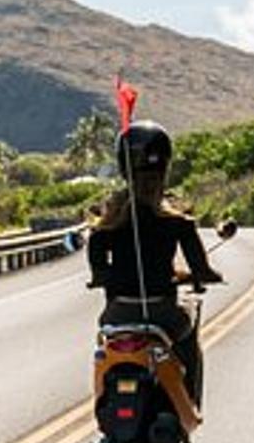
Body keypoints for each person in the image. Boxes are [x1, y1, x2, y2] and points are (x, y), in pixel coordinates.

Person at [84, 120, 222, 406]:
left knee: (103, 345)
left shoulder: (108, 224)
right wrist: (205, 275)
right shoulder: (178, 223)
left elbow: (96, 258)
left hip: (118, 313)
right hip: (164, 312)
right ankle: (189, 401)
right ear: (165, 166)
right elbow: (202, 269)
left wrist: (101, 276)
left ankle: (103, 405)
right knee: (191, 319)